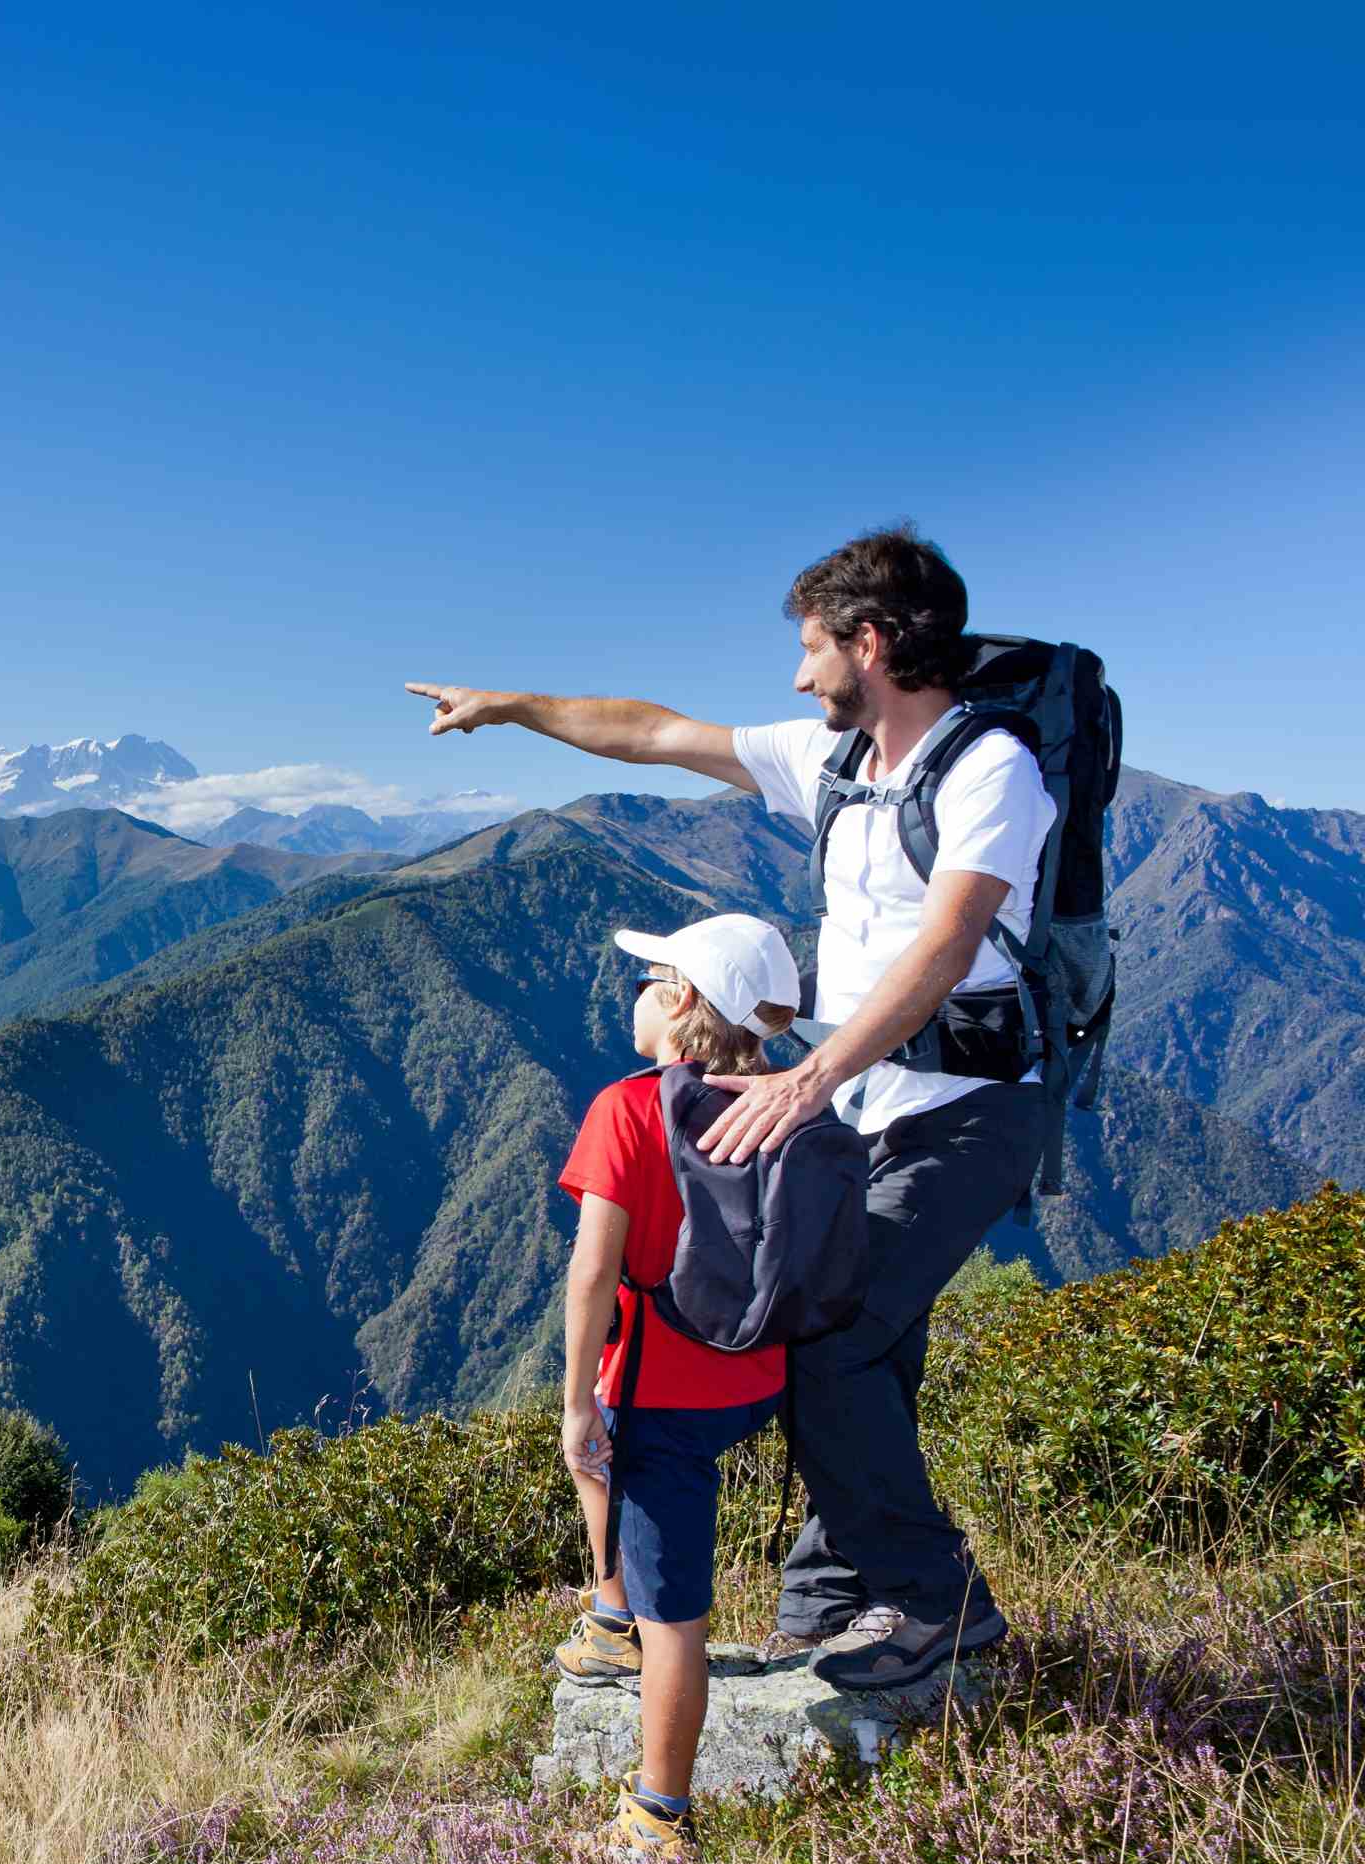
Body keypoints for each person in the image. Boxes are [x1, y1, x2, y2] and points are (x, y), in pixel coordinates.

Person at [412, 523, 1045, 1690]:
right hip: (861, 1113)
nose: (801, 679)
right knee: (859, 1339)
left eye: (813, 650)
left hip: (965, 1111)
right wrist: (510, 707)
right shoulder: (837, 762)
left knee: (834, 1342)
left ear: (871, 641)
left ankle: (939, 1607)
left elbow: (951, 941)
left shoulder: (989, 769)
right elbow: (652, 732)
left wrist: (811, 1073)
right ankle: (829, 1592)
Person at [551, 912, 798, 1864]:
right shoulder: (783, 1098)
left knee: (678, 1617)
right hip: (762, 1372)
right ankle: (613, 1618)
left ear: (685, 1000)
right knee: (610, 1462)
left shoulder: (627, 1108)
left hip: (662, 1392)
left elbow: (591, 1275)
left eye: (653, 977)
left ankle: (660, 1818)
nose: (638, 992)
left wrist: (575, 1404)